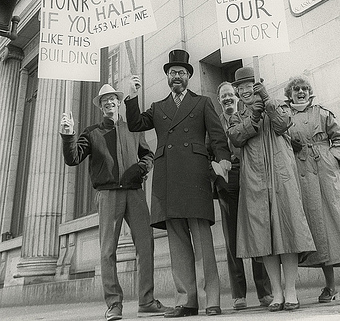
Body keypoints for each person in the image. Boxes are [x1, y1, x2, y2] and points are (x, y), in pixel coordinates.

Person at [125, 49, 232, 317]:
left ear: (188, 77)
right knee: (177, 242)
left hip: (195, 176)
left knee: (203, 242)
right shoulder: (158, 108)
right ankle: (186, 301)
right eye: (172, 73)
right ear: (167, 77)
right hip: (168, 178)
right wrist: (132, 95)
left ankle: (213, 300)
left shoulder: (203, 102)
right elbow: (136, 123)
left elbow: (218, 137)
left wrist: (223, 163)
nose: (177, 77)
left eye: (181, 73)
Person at [60, 84, 168, 321]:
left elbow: (147, 154)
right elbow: (73, 158)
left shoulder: (133, 129)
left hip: (134, 192)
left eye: (112, 99)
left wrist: (142, 167)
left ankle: (147, 301)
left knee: (145, 245)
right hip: (108, 195)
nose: (109, 103)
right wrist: (68, 135)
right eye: (104, 100)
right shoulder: (91, 132)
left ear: (119, 103)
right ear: (100, 106)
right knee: (107, 250)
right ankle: (113, 304)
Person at [227, 67, 315, 312]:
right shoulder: (237, 116)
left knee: (287, 231)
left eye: (249, 86)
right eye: (241, 87)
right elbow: (235, 138)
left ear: (258, 86)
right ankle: (276, 292)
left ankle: (291, 291)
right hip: (254, 179)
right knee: (262, 235)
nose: (245, 91)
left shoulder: (276, 104)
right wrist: (253, 117)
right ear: (236, 91)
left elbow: (284, 124)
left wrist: (266, 102)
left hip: (281, 176)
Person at [284, 75, 340, 302]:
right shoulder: (285, 117)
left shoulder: (323, 113)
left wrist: (333, 159)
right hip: (304, 178)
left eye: (305, 88)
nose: (301, 92)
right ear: (289, 94)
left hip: (328, 175)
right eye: (297, 89)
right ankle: (330, 287)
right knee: (318, 232)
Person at [215, 81, 272, 310]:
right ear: (219, 100)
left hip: (249, 175)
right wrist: (216, 174)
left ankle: (264, 291)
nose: (228, 99)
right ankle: (238, 294)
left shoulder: (245, 114)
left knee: (257, 231)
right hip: (226, 181)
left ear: (236, 96)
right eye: (223, 96)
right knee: (232, 238)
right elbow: (209, 149)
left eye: (230, 94)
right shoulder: (214, 122)